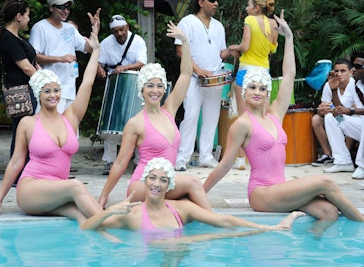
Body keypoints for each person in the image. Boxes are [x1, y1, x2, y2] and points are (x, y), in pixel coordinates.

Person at [203, 10, 364, 234]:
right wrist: (199, 194)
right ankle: (362, 224)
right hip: (262, 193)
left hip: (281, 189)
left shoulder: (274, 114)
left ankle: (310, 248)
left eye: (262, 88)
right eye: (252, 87)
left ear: (268, 91)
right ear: (244, 93)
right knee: (325, 183)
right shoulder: (243, 124)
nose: (257, 92)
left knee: (328, 212)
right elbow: (225, 164)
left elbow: (288, 74)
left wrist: (288, 37)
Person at [0, 16, 102, 225]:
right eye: (47, 91)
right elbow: (17, 161)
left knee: (81, 216)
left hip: (57, 190)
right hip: (31, 190)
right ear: (38, 93)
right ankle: (115, 225)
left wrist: (96, 50)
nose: (53, 95)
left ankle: (109, 237)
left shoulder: (70, 118)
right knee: (76, 187)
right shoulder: (29, 123)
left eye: (56, 90)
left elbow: (88, 83)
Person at [98, 22, 212, 210]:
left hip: (166, 183)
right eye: (150, 85)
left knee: (188, 205)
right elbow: (120, 162)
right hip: (142, 186)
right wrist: (104, 196)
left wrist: (184, 41)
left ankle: (209, 227)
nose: (155, 90)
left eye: (159, 85)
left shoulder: (170, 109)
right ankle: (217, 224)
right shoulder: (136, 124)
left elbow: (186, 73)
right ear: (141, 90)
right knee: (192, 183)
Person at [83, 157, 304, 235]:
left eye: (163, 180)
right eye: (152, 178)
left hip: (180, 253)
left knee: (228, 234)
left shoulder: (180, 208)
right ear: (144, 181)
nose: (156, 184)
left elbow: (222, 220)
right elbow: (86, 228)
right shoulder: (130, 215)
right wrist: (109, 211)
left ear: (169, 184)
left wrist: (269, 228)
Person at [174, 0, 237, 171]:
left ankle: (206, 156)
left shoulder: (218, 26)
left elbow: (220, 53)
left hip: (214, 78)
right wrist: (197, 69)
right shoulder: (187, 22)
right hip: (194, 78)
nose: (216, 4)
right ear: (201, 2)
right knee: (190, 117)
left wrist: (230, 52)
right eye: (212, 0)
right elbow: (180, 51)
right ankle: (182, 158)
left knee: (211, 119)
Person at [229, 0, 278, 170]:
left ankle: (241, 160)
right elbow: (273, 49)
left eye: (249, 5)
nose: (246, 9)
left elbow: (245, 46)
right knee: (264, 116)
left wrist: (234, 47)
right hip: (264, 72)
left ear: (256, 8)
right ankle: (266, 156)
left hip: (247, 70)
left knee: (244, 116)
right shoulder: (273, 23)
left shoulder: (249, 20)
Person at [97, 14, 147, 175]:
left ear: (127, 28)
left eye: (121, 29)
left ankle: (139, 162)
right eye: (115, 31)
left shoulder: (138, 41)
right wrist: (99, 68)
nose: (119, 33)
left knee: (139, 124)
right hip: (114, 85)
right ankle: (109, 161)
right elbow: (99, 62)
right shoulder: (106, 43)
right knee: (112, 124)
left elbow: (141, 63)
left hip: (134, 85)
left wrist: (124, 69)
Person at [29, 0, 100, 114]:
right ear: (51, 8)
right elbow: (33, 56)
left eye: (68, 8)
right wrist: (60, 58)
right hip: (49, 91)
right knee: (50, 129)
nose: (65, 11)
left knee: (70, 129)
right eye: (62, 7)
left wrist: (95, 29)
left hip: (69, 90)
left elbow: (88, 48)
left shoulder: (70, 28)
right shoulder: (39, 28)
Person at [0, 0, 38, 185]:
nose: (29, 19)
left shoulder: (16, 37)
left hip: (28, 89)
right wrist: (45, 81)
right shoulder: (8, 38)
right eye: (27, 15)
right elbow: (27, 68)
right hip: (21, 92)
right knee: (21, 132)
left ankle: (24, 172)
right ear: (18, 16)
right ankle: (18, 174)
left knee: (26, 131)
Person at [323, 55, 364, 179]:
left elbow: (350, 110)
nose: (354, 70)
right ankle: (343, 161)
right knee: (332, 118)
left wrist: (351, 110)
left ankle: (362, 166)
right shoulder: (355, 83)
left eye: (357, 67)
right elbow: (341, 108)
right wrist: (334, 91)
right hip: (359, 126)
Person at [311, 59, 355, 167]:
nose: (339, 74)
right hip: (334, 116)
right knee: (316, 119)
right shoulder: (329, 85)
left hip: (350, 117)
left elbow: (354, 109)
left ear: (351, 72)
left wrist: (335, 110)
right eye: (336, 71)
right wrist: (322, 110)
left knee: (345, 118)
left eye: (343, 71)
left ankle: (345, 154)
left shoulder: (355, 84)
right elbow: (323, 108)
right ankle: (328, 154)